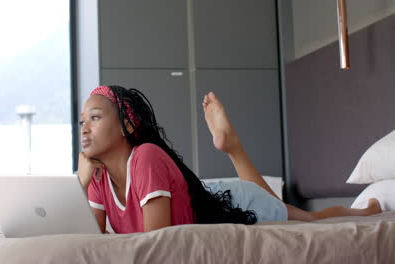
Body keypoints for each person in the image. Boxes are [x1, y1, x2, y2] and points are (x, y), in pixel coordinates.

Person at [77, 85, 381, 234]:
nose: (85, 128)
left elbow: (155, 243)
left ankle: (365, 212)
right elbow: (93, 243)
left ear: (128, 126)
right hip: (208, 198)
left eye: (95, 117)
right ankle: (231, 146)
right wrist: (81, 184)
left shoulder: (145, 157)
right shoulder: (97, 178)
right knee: (291, 210)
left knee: (309, 220)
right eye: (82, 121)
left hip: (237, 204)